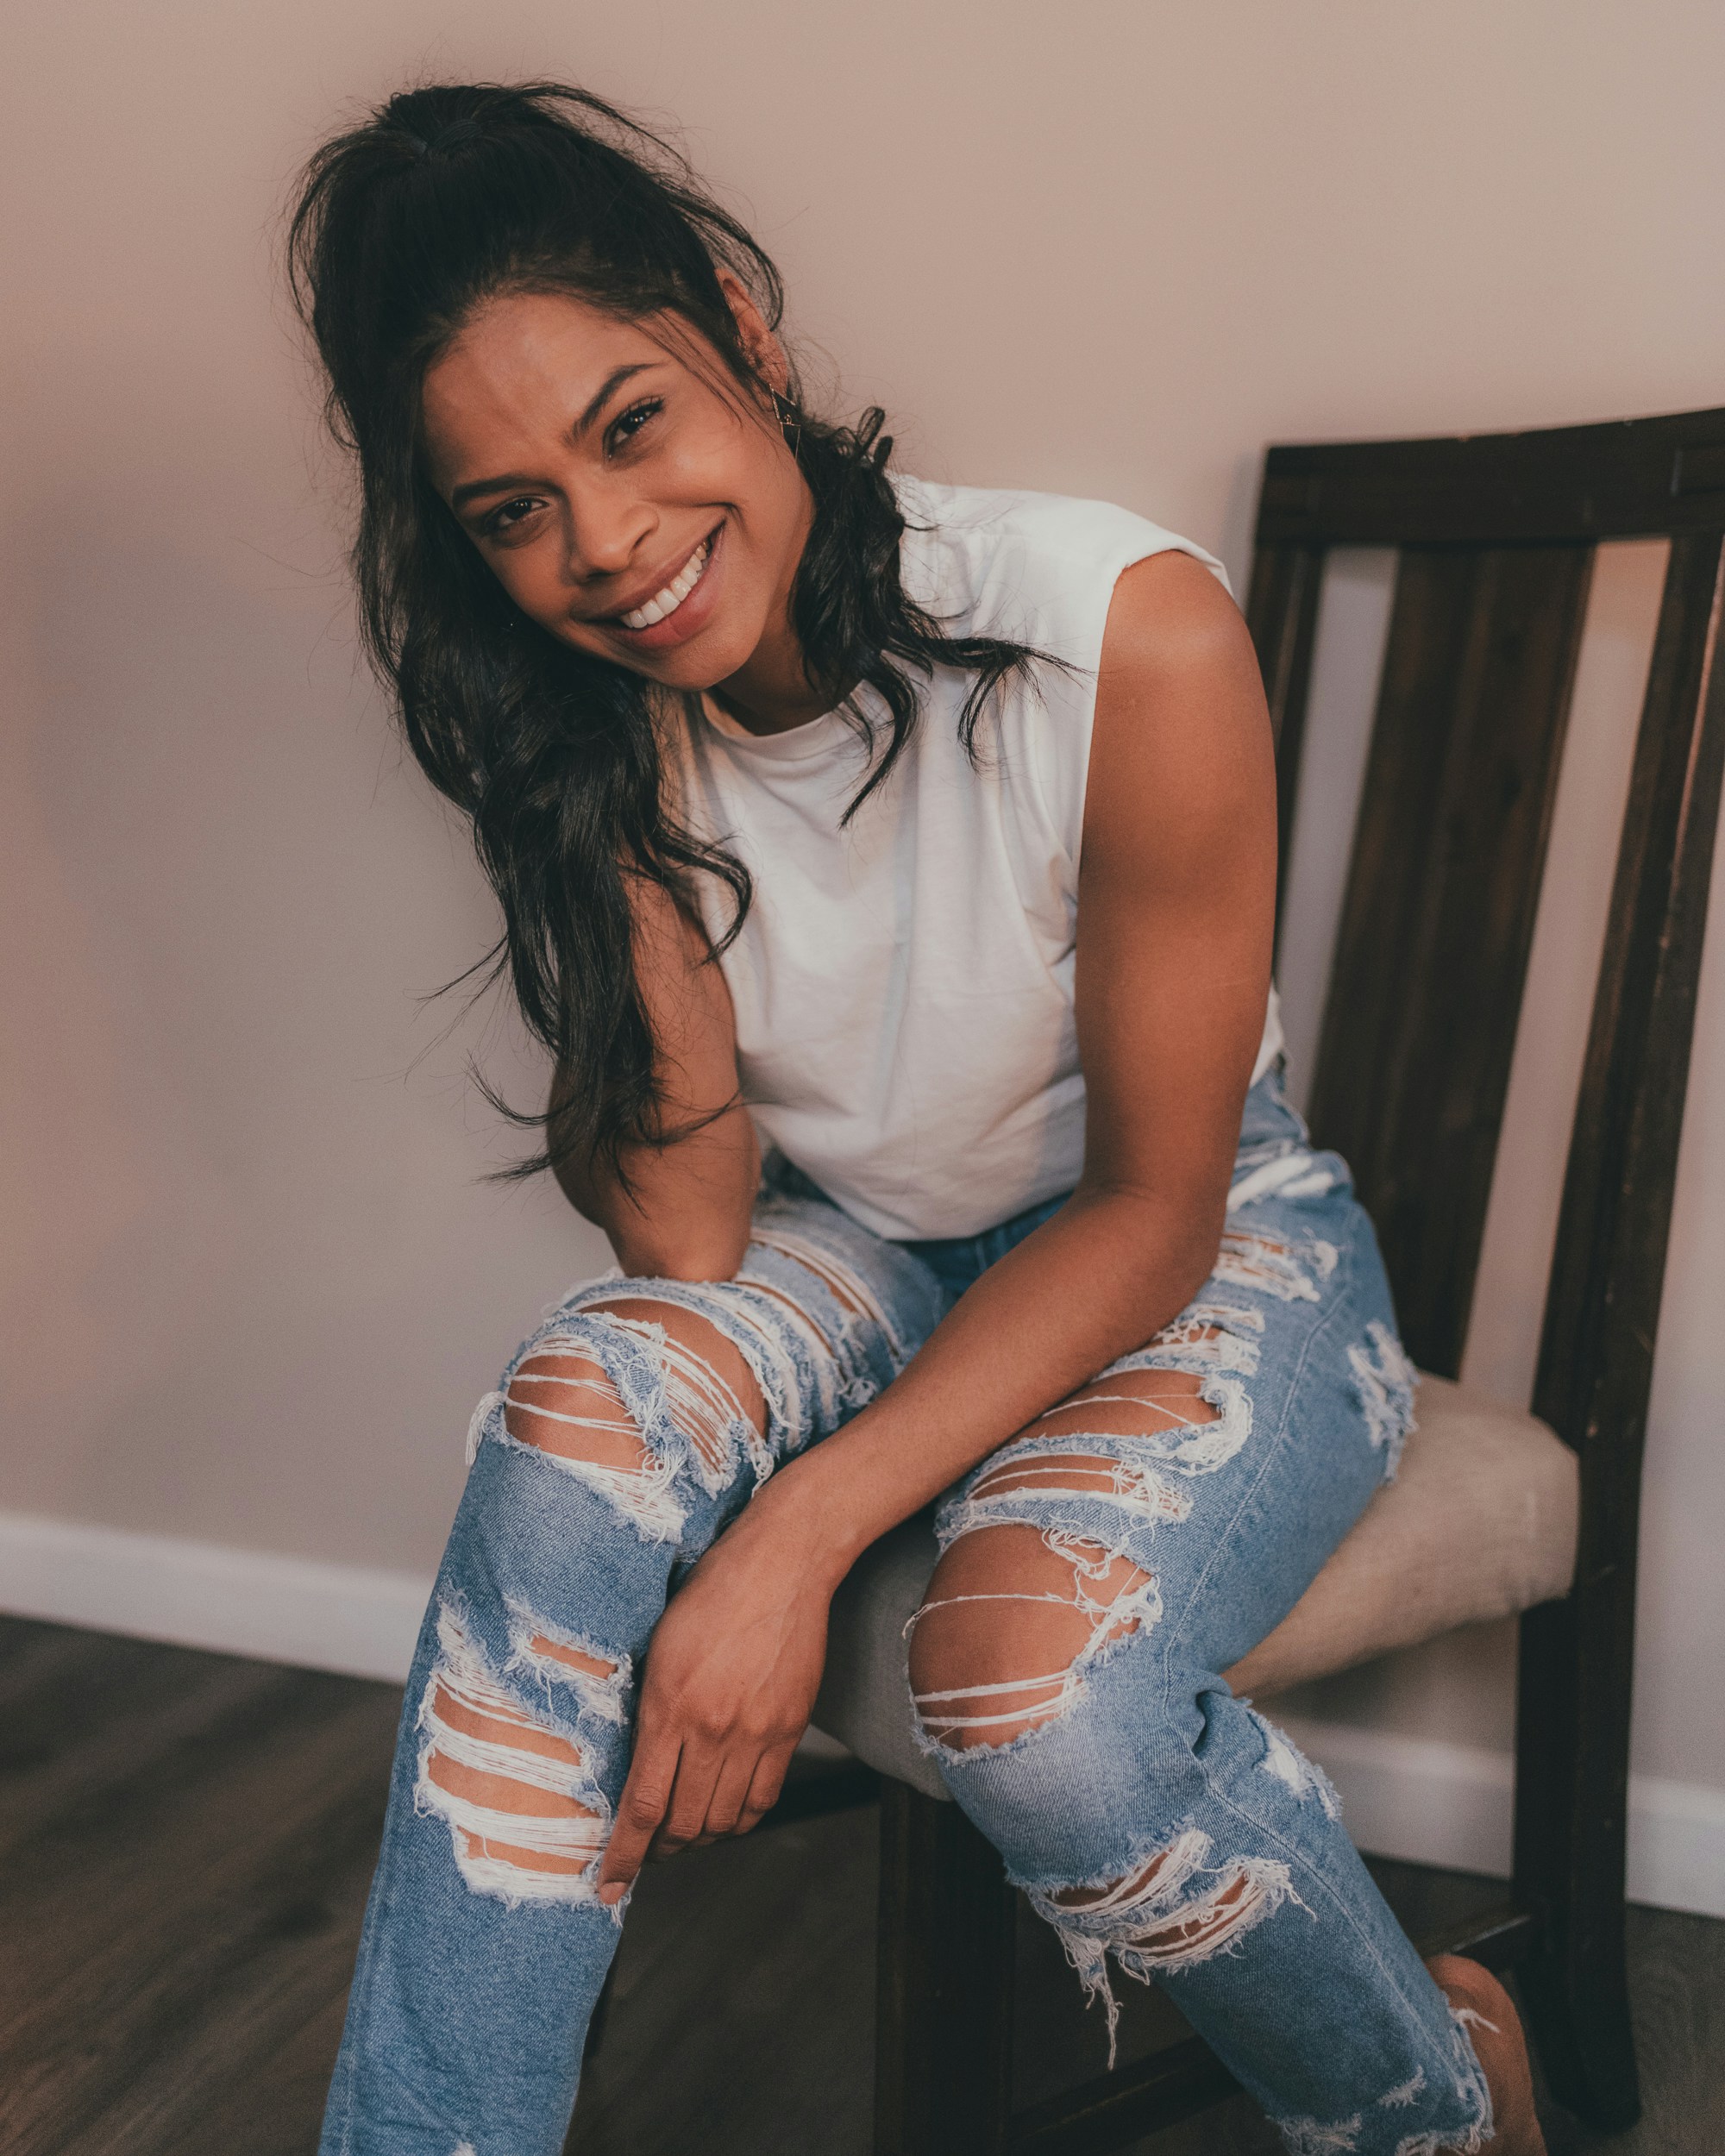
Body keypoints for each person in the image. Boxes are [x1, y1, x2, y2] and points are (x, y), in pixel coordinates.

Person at [290, 80, 1545, 2156]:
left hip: (1210, 1238)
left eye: (629, 425)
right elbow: (691, 1232)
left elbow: (1151, 1210)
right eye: (508, 511)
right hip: (859, 1241)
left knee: (1034, 1709)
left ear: (741, 332)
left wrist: (797, 1534)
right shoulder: (603, 707)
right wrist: (592, 787)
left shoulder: (1108, 628)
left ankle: (1439, 2098)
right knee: (574, 1424)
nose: (600, 543)